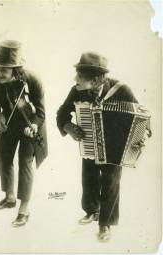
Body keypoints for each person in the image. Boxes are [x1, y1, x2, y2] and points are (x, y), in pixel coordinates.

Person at [56, 52, 151, 242]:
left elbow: (143, 119)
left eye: (80, 76)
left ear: (96, 79)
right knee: (88, 177)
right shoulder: (77, 90)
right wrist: (70, 127)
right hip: (90, 140)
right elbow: (61, 114)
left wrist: (144, 136)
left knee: (110, 182)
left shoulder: (122, 90)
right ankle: (92, 211)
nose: (76, 79)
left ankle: (105, 223)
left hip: (116, 148)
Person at [0, 40, 48, 227]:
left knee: (25, 161)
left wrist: (35, 126)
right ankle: (9, 197)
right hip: (8, 123)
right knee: (4, 155)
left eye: (4, 70)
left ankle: (24, 209)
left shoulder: (33, 80)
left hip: (31, 125)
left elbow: (41, 112)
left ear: (16, 70)